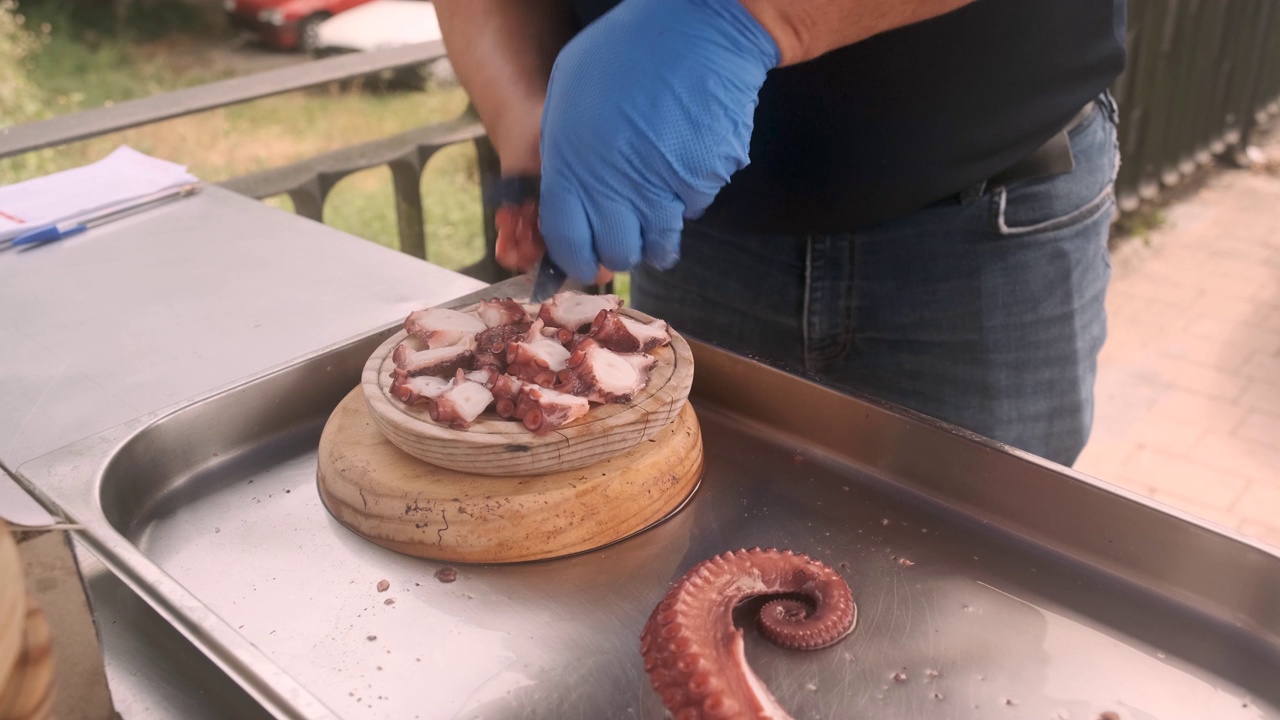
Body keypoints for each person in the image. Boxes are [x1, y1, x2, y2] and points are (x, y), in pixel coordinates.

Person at [435, 0, 1127, 467]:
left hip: (987, 230)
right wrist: (524, 104)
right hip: (695, 236)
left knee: (983, 595)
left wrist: (747, 15)